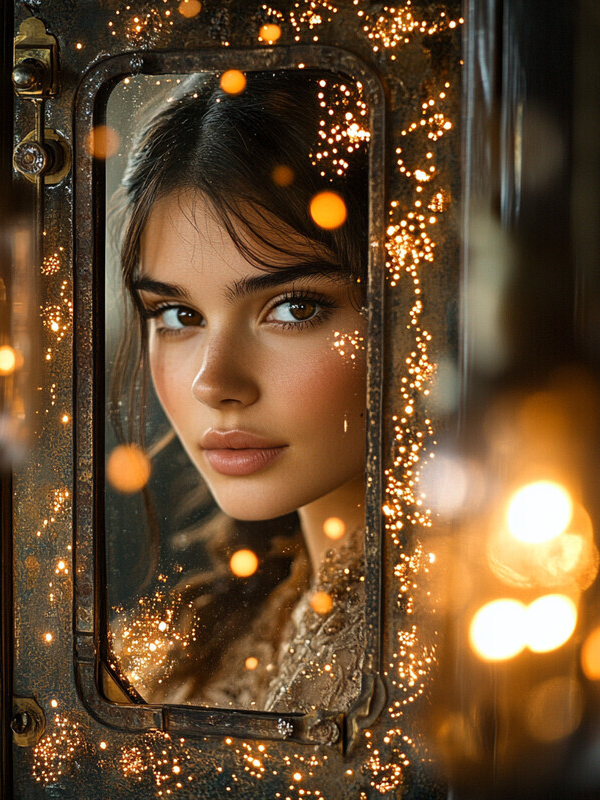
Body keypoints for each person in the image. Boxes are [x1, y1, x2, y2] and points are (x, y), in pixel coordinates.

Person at [109, 70, 370, 712]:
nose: (212, 382)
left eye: (296, 308)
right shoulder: (198, 639)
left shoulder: (483, 637)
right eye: (177, 315)